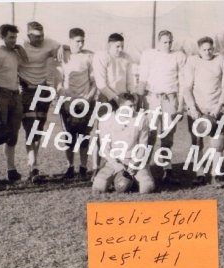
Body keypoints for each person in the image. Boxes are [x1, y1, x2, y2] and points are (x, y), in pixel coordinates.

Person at [138, 30, 186, 184]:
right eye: (165, 42)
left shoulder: (178, 56)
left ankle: (167, 169)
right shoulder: (149, 54)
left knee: (167, 137)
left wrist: (180, 106)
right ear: (159, 42)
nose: (168, 44)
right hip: (153, 98)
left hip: (170, 98)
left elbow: (183, 82)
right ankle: (144, 168)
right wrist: (140, 101)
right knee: (149, 134)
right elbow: (143, 78)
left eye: (170, 41)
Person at [183, 36, 224, 186]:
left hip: (215, 108)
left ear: (213, 48)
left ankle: (216, 174)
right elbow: (187, 87)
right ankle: (200, 173)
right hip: (197, 108)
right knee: (197, 143)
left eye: (210, 49)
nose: (207, 52)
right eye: (204, 50)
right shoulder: (192, 61)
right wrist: (192, 108)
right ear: (199, 50)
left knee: (218, 143)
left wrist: (218, 107)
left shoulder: (221, 60)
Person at [18, 21, 60, 183]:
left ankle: (34, 163)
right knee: (30, 127)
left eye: (42, 35)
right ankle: (32, 166)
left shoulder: (49, 43)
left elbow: (60, 48)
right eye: (36, 36)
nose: (40, 38)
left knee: (39, 130)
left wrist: (62, 48)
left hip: (43, 89)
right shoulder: (20, 45)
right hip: (26, 89)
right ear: (28, 35)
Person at [0, 24, 27, 182]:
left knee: (12, 135)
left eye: (15, 37)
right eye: (10, 37)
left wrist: (21, 51)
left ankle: (11, 169)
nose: (13, 40)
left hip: (15, 95)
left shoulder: (15, 53)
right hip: (0, 94)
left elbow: (24, 67)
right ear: (1, 36)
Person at [91, 33, 136, 179]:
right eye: (117, 46)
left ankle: (121, 168)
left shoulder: (126, 58)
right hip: (106, 98)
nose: (120, 49)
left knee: (123, 134)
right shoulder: (101, 56)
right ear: (109, 45)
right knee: (101, 135)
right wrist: (116, 99)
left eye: (122, 46)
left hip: (123, 100)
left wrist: (132, 97)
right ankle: (95, 168)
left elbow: (130, 81)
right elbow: (101, 84)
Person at [92, 93, 155, 194]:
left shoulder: (142, 119)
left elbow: (143, 146)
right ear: (121, 106)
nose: (134, 108)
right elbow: (105, 149)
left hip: (134, 160)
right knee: (98, 188)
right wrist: (115, 164)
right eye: (130, 106)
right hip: (114, 161)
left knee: (147, 188)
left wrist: (135, 164)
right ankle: (116, 178)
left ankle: (134, 179)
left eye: (134, 105)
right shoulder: (106, 119)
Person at [56, 28, 96, 180]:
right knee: (69, 137)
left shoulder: (89, 56)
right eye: (77, 41)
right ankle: (70, 167)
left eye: (82, 41)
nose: (80, 44)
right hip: (68, 102)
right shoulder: (62, 56)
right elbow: (58, 82)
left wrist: (88, 98)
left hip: (85, 101)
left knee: (84, 136)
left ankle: (84, 168)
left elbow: (94, 82)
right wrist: (64, 100)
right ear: (70, 40)